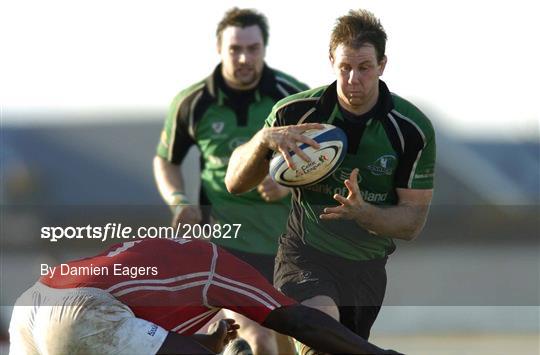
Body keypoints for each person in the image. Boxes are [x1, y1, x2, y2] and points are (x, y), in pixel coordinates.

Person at [225, 9, 436, 354]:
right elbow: (234, 182)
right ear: (331, 61)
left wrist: (362, 212)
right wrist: (263, 140)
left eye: (364, 68)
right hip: (304, 254)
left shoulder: (410, 131)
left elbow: (412, 222)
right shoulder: (295, 114)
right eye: (345, 67)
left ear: (382, 65)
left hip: (366, 268)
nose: (353, 78)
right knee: (319, 334)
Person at [153, 7, 308, 353]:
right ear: (219, 49)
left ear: (264, 49)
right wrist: (179, 201)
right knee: (256, 338)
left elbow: (324, 163)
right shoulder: (193, 103)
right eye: (235, 49)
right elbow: (166, 160)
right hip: (226, 247)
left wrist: (288, 183)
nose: (243, 57)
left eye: (252, 49)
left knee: (294, 345)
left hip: (289, 246)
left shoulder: (294, 98)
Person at [9, 238, 402, 355]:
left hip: (31, 303)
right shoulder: (217, 261)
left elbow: (130, 322)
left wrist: (204, 342)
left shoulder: (157, 248)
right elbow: (299, 320)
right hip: (83, 312)